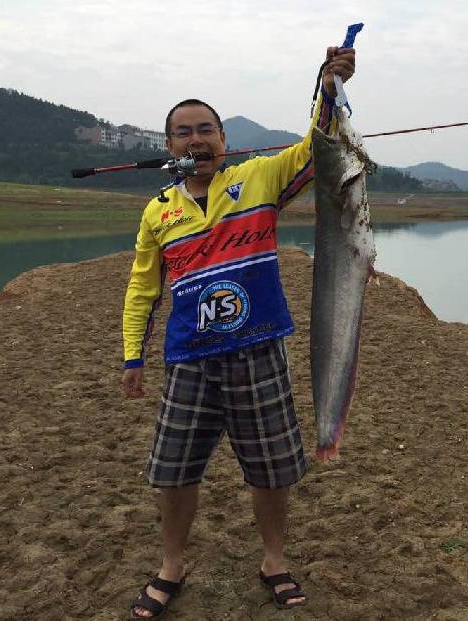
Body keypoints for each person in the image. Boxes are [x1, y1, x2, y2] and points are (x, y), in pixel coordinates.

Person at [120, 46, 356, 619]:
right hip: (189, 361)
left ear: (224, 139)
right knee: (173, 473)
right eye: (183, 133)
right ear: (169, 145)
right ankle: (172, 564)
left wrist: (327, 84)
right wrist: (133, 357)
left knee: (271, 470)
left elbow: (317, 149)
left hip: (259, 351)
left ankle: (274, 560)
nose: (195, 139)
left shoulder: (259, 177)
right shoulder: (157, 211)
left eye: (205, 130)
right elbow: (142, 289)